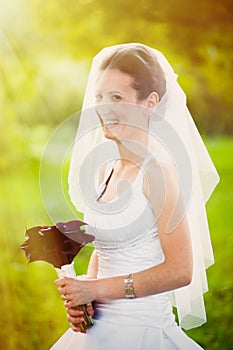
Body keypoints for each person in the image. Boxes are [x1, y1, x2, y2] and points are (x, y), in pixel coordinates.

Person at [51, 43, 220, 349]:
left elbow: (181, 271)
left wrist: (97, 288)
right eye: (100, 97)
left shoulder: (158, 172)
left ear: (150, 102)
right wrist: (86, 295)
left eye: (117, 97)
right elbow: (105, 251)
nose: (103, 107)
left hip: (142, 331)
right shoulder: (105, 171)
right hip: (99, 329)